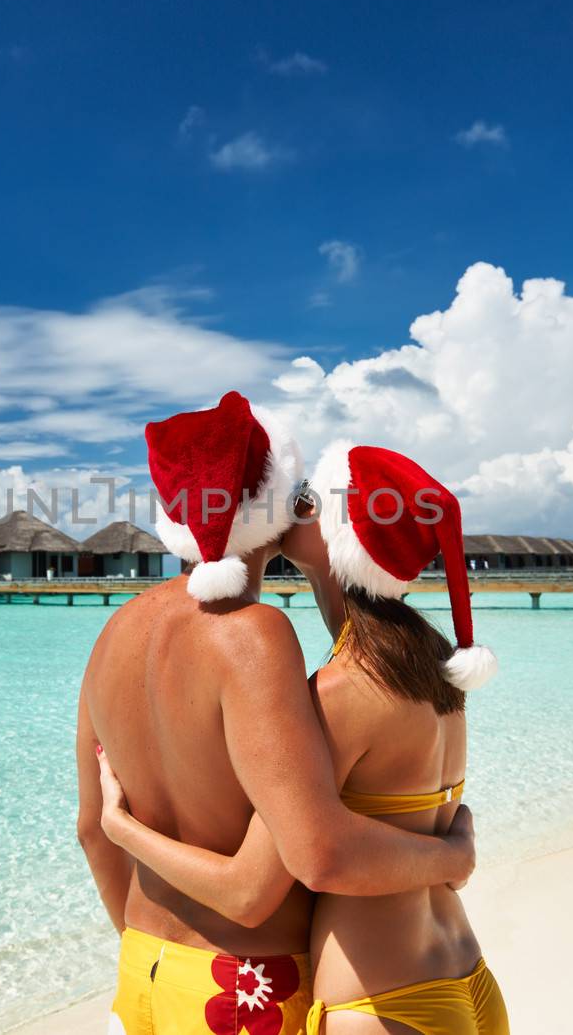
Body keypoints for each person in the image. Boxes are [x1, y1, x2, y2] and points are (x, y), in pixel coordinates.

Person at [77, 394, 478, 1035]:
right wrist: (451, 859)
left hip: (144, 965)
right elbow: (277, 876)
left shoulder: (112, 634)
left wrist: (144, 939)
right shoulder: (257, 635)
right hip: (245, 988)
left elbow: (92, 830)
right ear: (266, 505)